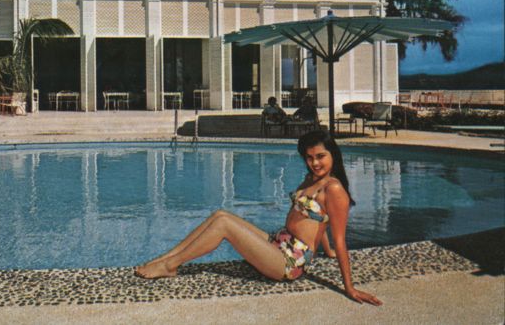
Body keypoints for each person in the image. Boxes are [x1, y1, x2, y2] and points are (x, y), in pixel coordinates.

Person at [135, 130, 382, 306]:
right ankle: (166, 258)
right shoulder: (312, 180)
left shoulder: (334, 189)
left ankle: (170, 266)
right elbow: (323, 223)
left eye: (320, 156)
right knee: (220, 214)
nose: (314, 162)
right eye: (309, 157)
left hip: (288, 263)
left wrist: (349, 288)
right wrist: (324, 251)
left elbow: (339, 239)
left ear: (333, 155)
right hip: (279, 243)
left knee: (224, 224)